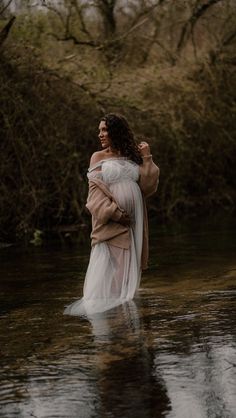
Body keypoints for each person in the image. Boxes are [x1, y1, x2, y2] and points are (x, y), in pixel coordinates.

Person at [64, 113, 159, 316]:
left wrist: (147, 157)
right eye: (99, 130)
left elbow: (148, 187)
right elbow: (94, 193)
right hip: (112, 218)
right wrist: (114, 213)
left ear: (117, 131)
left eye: (104, 130)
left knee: (128, 261)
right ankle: (114, 307)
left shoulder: (132, 155)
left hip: (135, 220)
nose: (100, 134)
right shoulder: (98, 157)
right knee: (113, 261)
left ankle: (125, 305)